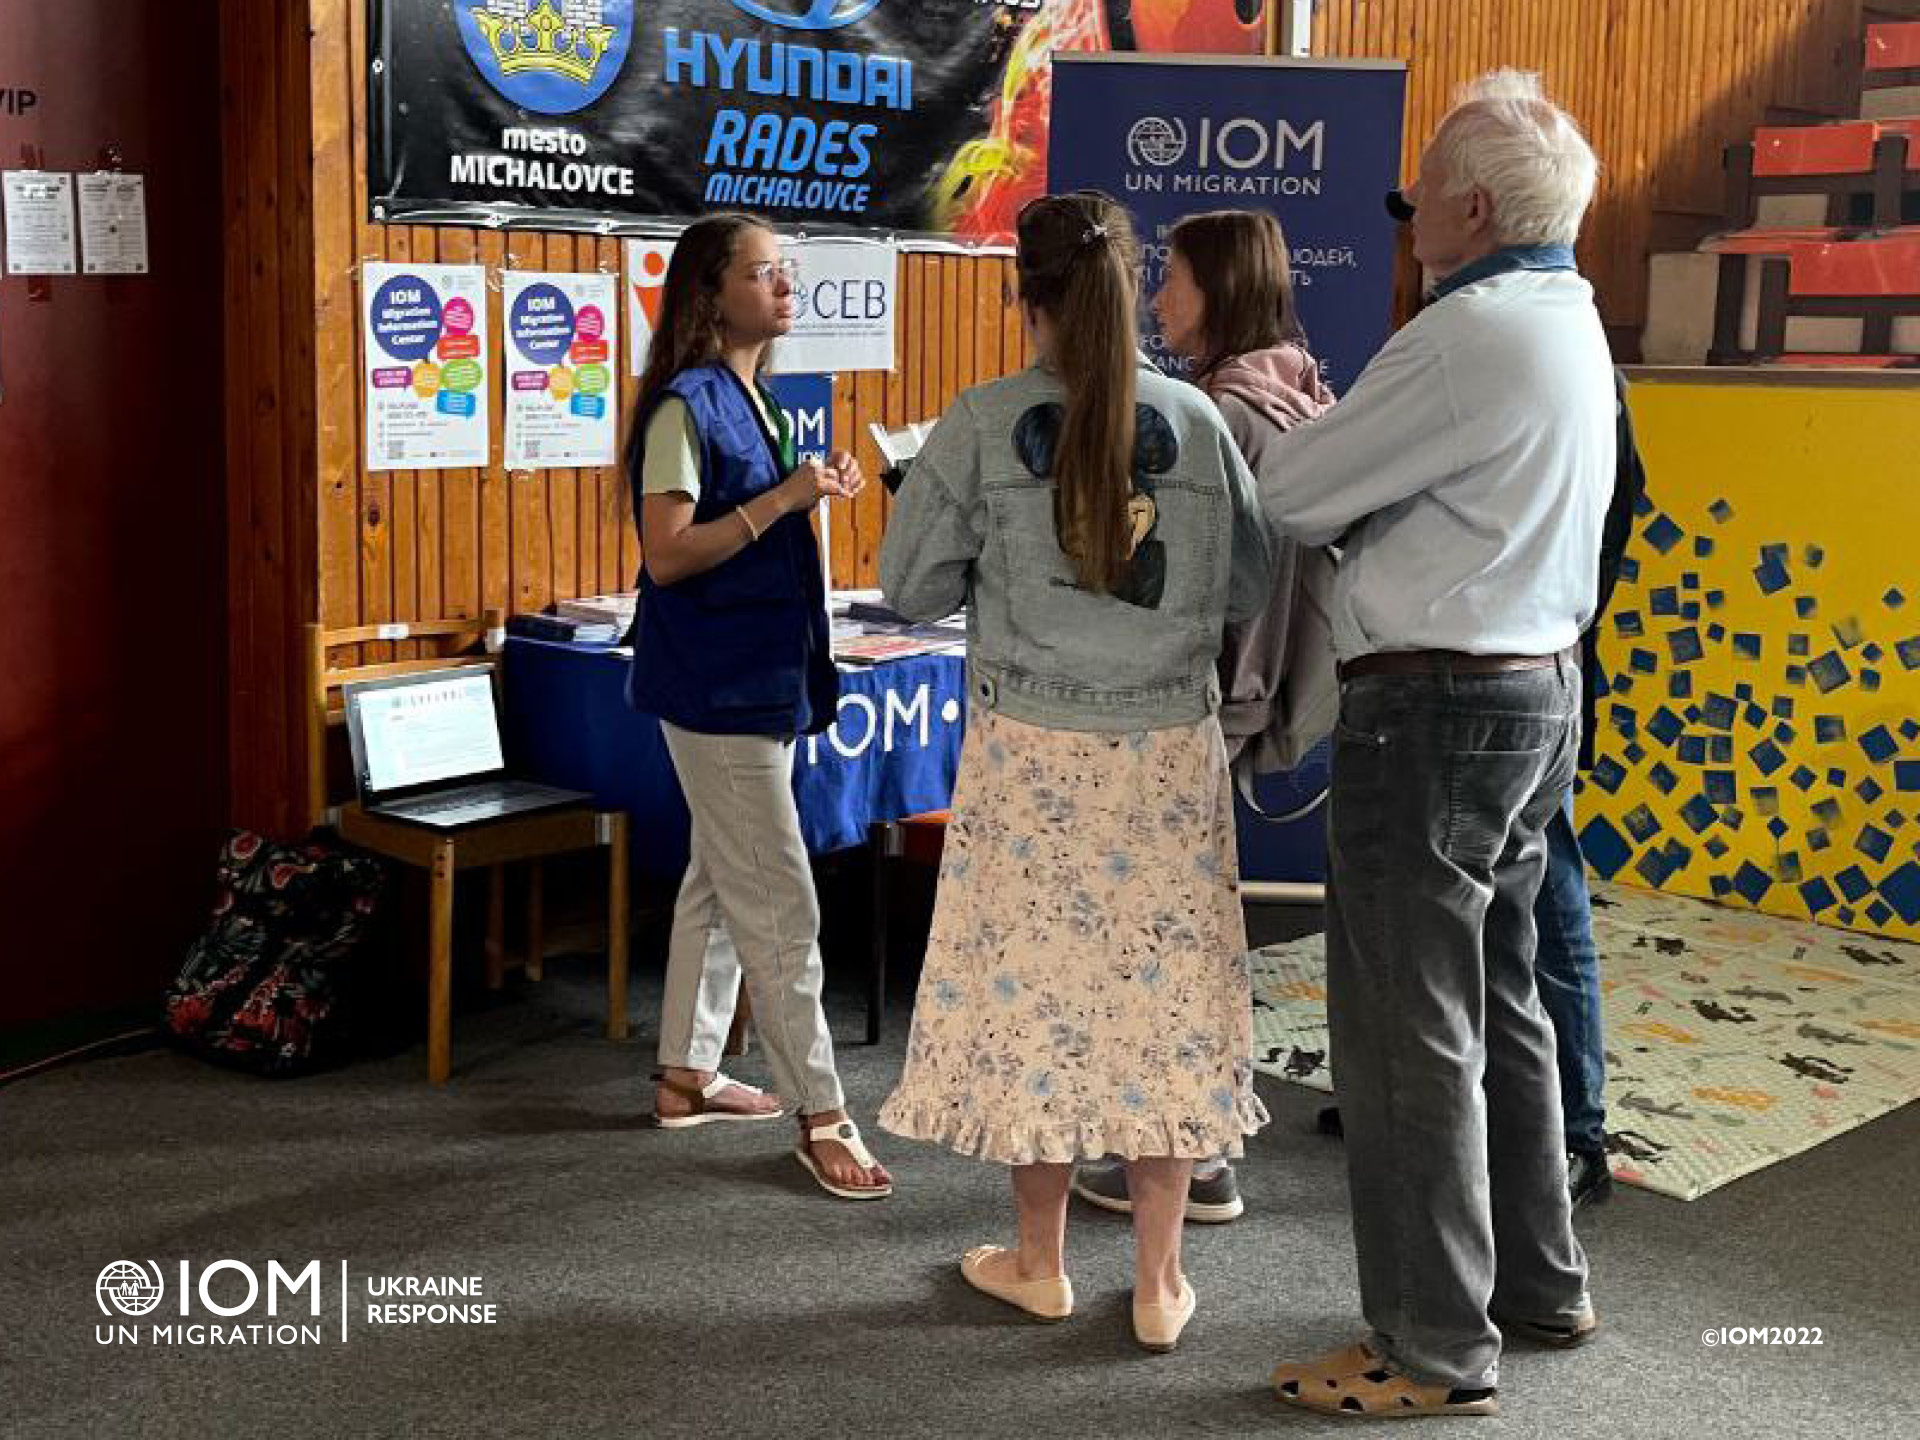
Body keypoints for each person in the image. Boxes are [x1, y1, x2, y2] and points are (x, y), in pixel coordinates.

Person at [1251, 71, 1612, 1417]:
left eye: (1415, 199)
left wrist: (1307, 425)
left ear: (1467, 204)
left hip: (1435, 711)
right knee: (1500, 1001)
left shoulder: (1465, 335)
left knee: (1408, 1039)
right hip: (1531, 695)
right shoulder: (1567, 316)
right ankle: (1535, 1280)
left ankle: (1430, 1345)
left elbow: (1292, 494)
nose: (1405, 222)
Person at [876, 191, 1272, 1352]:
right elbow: (1248, 587)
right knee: (1166, 1003)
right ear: (1128, 286)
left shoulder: (980, 422)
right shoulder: (1198, 421)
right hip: (1166, 757)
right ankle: (1157, 1282)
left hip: (1030, 756)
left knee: (1032, 996)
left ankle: (1039, 1262)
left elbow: (909, 589)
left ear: (1028, 299)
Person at [1073, 208, 1338, 1228]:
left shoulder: (1214, 414)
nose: (1157, 301)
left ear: (1217, 290)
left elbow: (1182, 586)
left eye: (1173, 281)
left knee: (1164, 938)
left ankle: (1198, 1151)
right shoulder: (1300, 391)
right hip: (1245, 702)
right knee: (1194, 927)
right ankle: (1199, 1138)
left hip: (1193, 708)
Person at [624, 212, 891, 1202]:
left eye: (787, 272)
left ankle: (686, 1075)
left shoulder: (761, 399)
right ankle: (822, 1110)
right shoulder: (683, 407)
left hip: (764, 678)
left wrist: (807, 490)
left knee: (718, 876)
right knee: (780, 899)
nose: (785, 288)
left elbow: (763, 516)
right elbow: (668, 553)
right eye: (763, 273)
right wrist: (784, 501)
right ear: (711, 290)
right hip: (717, 689)